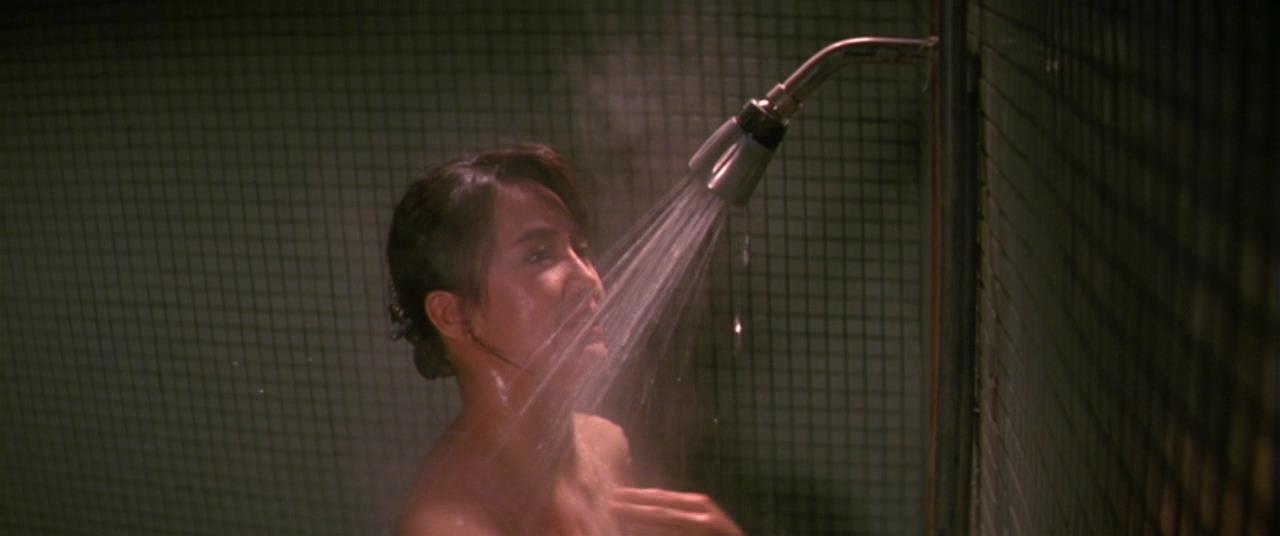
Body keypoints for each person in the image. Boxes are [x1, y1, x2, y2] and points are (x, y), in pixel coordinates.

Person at [386, 143, 744, 535]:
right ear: (452, 315)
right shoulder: (451, 526)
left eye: (581, 250)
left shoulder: (603, 449)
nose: (589, 279)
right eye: (539, 255)